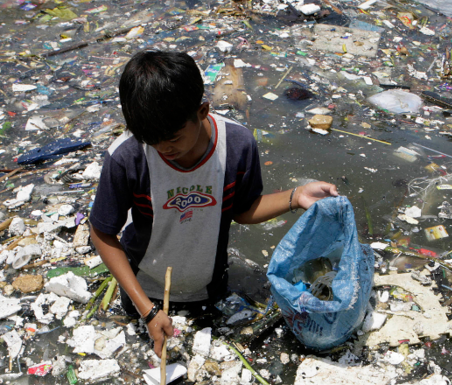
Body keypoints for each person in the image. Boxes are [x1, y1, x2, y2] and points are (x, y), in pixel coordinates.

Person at [89, 50, 338, 357]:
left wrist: (295, 196)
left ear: (203, 110)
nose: (163, 148)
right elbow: (102, 232)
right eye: (151, 139)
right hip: (145, 294)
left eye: (173, 137)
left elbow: (244, 210)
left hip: (210, 289)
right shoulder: (128, 156)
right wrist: (147, 310)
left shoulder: (236, 145)